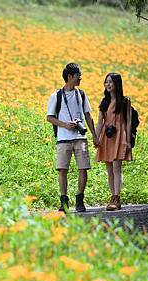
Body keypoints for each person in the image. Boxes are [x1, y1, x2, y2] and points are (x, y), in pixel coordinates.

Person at [46, 63, 98, 213]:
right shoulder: (56, 95)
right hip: (63, 138)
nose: (80, 78)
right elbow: (49, 117)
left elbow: (88, 115)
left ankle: (80, 199)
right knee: (62, 170)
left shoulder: (81, 94)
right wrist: (65, 125)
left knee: (83, 169)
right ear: (70, 77)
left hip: (80, 137)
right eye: (78, 76)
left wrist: (94, 135)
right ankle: (64, 201)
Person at [95, 72, 133, 211]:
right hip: (107, 137)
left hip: (120, 137)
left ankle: (116, 198)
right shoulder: (104, 102)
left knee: (117, 168)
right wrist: (96, 137)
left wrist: (128, 140)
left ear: (117, 84)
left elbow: (128, 122)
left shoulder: (124, 101)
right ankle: (113, 196)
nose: (108, 85)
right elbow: (100, 122)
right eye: (106, 82)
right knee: (109, 170)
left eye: (111, 82)